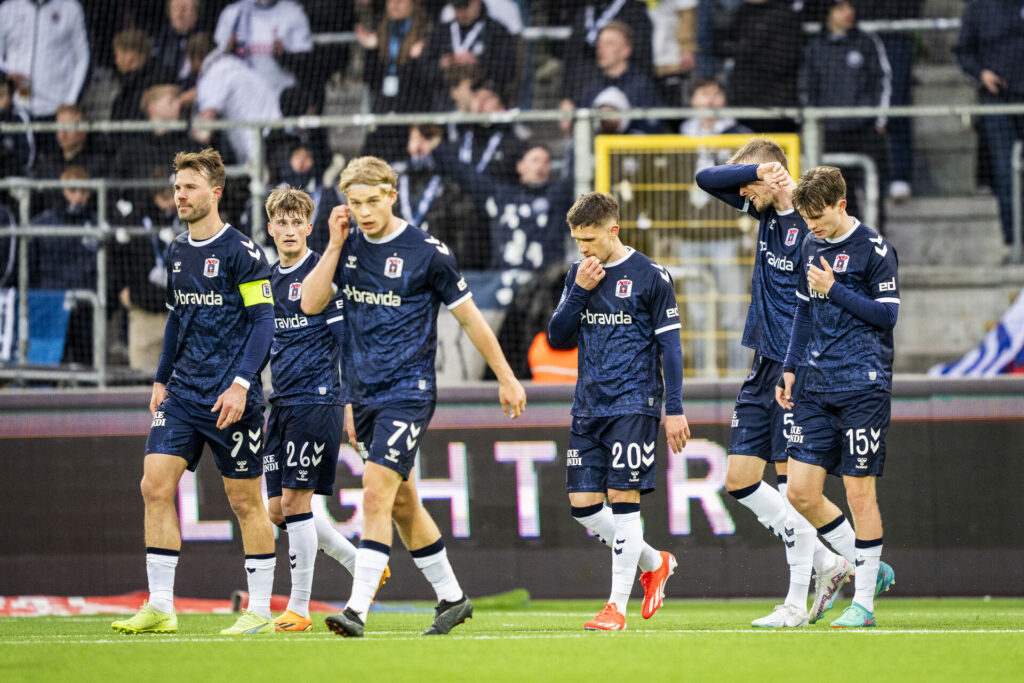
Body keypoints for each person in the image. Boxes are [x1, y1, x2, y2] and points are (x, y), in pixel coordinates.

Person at [300, 156, 527, 637]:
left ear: (392, 195)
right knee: (403, 504)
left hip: (409, 392)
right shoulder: (348, 244)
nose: (363, 211)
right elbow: (310, 303)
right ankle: (453, 598)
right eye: (355, 203)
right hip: (362, 395)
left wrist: (506, 377)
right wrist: (334, 244)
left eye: (372, 201)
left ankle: (356, 610)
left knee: (377, 492)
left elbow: (470, 319)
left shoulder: (428, 252)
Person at [111, 148, 278, 636]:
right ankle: (161, 605)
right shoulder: (177, 249)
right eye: (177, 187)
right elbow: (176, 317)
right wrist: (161, 378)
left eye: (188, 188)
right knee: (153, 486)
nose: (179, 195)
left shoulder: (242, 253)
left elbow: (264, 322)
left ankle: (261, 612)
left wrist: (242, 385)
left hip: (232, 398)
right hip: (183, 393)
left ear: (215, 193)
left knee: (245, 502)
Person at [695, 138, 848, 628]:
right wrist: (759, 173)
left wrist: (782, 185)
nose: (742, 192)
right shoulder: (761, 212)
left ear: (770, 177)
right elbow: (704, 179)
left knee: (791, 485)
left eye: (749, 182)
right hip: (761, 363)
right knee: (739, 479)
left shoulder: (808, 226)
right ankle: (830, 563)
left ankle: (796, 602)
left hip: (793, 367)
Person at [546, 192, 687, 631]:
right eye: (576, 240)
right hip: (588, 405)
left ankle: (615, 608)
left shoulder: (650, 276)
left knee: (624, 500)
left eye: (589, 238)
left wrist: (675, 409)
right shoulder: (578, 275)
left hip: (634, 402)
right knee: (583, 506)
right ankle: (654, 561)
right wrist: (579, 293)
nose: (582, 248)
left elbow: (671, 347)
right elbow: (557, 337)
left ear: (614, 230)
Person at [777, 165, 898, 628]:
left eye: (819, 218)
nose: (813, 227)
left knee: (857, 492)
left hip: (863, 386)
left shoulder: (875, 250)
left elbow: (885, 317)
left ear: (841, 204)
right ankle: (868, 565)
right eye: (807, 219)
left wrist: (836, 289)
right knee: (800, 491)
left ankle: (863, 604)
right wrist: (789, 368)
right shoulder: (810, 243)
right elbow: (804, 313)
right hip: (816, 382)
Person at [260, 186, 374, 632]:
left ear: (310, 227)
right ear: (270, 228)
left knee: (295, 501)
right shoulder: (268, 278)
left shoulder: (321, 273)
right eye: (281, 223)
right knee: (275, 510)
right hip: (281, 402)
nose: (289, 230)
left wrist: (348, 403)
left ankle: (299, 608)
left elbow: (347, 342)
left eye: (296, 223)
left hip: (317, 398)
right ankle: (357, 558)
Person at [798, 0, 891, 233]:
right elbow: (806, 91)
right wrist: (812, 126)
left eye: (850, 7)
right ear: (827, 12)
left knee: (873, 190)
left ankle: (875, 241)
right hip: (830, 133)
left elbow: (884, 80)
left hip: (865, 130)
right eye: (840, 8)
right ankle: (847, 247)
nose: (848, 12)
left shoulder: (867, 42)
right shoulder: (815, 49)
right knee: (837, 197)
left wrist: (880, 120)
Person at [954, 0, 1024, 256]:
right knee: (1005, 172)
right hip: (997, 101)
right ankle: (1014, 244)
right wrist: (981, 74)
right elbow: (963, 52)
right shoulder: (979, 8)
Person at [187, 32, 282, 164]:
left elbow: (205, 131)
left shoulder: (213, 73)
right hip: (277, 129)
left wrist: (188, 130)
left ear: (195, 59)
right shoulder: (231, 63)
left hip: (261, 142)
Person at [0, 0, 90, 120]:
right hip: (17, 107)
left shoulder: (70, 8)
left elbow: (82, 57)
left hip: (58, 108)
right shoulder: (7, 9)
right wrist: (7, 75)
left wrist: (70, 100)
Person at [424, 0, 518, 109]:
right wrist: (442, 63)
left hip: (481, 94)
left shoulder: (496, 31)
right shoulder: (440, 33)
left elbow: (507, 69)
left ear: (477, 2)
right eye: (457, 7)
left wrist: (478, 61)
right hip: (443, 96)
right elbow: (423, 68)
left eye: (465, 6)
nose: (461, 12)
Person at [213, 0, 312, 100]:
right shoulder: (232, 14)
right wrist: (230, 52)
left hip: (282, 99)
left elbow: (307, 66)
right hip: (241, 102)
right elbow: (216, 63)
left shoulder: (293, 12)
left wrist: (284, 57)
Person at [110, 29, 175, 122]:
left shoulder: (161, 77)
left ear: (130, 55)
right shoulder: (127, 84)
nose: (116, 61)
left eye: (117, 55)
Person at [151, 0, 204, 92]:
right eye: (175, 9)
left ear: (196, 13)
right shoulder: (159, 41)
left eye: (185, 9)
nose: (179, 15)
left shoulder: (205, 41)